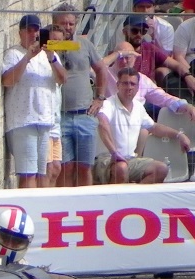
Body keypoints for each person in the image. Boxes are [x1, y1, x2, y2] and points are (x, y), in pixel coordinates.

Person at [1, 14, 67, 188]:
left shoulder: (49, 55)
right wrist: (28, 57)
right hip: (23, 122)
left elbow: (62, 79)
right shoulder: (14, 54)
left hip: (45, 122)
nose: (33, 34)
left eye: (36, 30)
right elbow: (8, 80)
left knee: (41, 174)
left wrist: (52, 58)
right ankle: (25, 205)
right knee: (28, 174)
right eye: (28, 30)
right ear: (21, 33)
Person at [94, 67, 193, 183]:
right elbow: (102, 123)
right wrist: (114, 152)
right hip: (106, 159)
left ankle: (135, 193)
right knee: (121, 168)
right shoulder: (108, 104)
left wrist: (179, 135)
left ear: (137, 87)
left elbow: (154, 127)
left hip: (130, 159)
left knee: (161, 169)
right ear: (118, 85)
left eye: (132, 84)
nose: (129, 87)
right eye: (125, 83)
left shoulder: (138, 106)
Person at [52, 2, 109, 187]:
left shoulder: (85, 44)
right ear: (55, 23)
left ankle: (87, 202)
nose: (68, 27)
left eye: (71, 23)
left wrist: (100, 98)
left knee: (85, 167)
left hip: (85, 115)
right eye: (63, 23)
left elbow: (101, 69)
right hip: (60, 117)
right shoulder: (49, 47)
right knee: (65, 168)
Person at [103, 42, 195, 123]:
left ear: (135, 58)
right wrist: (118, 53)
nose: (124, 61)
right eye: (120, 57)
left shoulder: (142, 79)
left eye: (127, 57)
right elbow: (96, 66)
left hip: (136, 124)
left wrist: (185, 105)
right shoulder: (104, 73)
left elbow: (163, 97)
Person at [121, 14, 183, 86]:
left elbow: (176, 65)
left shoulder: (150, 48)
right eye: (134, 31)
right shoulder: (119, 52)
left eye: (143, 31)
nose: (139, 34)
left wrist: (188, 76)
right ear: (124, 32)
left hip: (149, 90)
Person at [44, 24, 66, 186]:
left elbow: (63, 79)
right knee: (48, 168)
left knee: (57, 168)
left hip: (55, 121)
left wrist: (52, 58)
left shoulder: (55, 58)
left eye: (60, 41)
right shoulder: (40, 57)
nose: (57, 44)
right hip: (44, 120)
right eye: (53, 40)